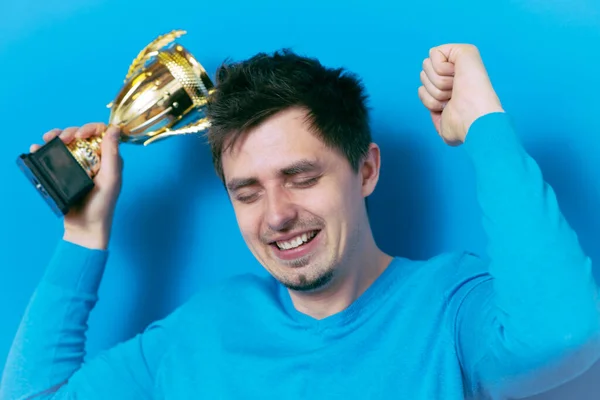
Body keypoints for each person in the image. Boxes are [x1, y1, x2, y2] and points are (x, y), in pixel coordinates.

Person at [1, 43, 599, 400]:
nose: (278, 215)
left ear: (365, 171)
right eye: (247, 191)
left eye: (302, 177)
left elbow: (563, 334)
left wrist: (483, 124)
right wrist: (83, 233)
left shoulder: (448, 306)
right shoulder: (203, 327)